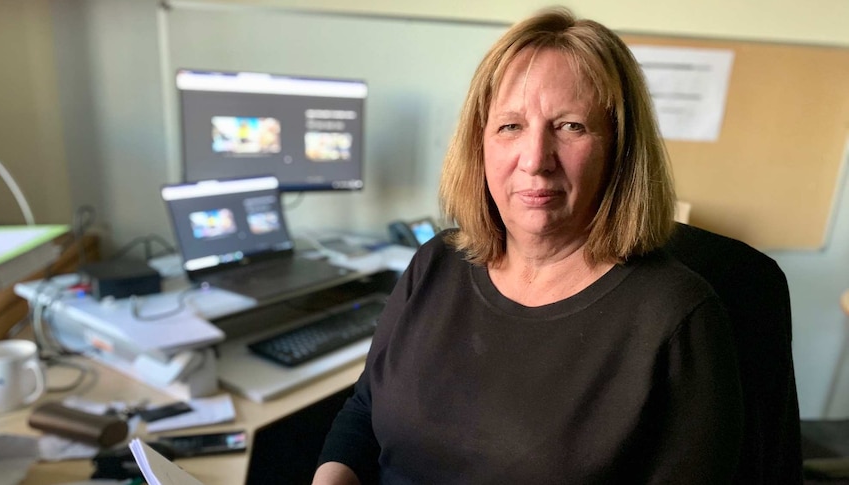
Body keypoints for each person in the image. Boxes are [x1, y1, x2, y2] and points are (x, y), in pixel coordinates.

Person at [313, 6, 743, 484]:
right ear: (480, 144)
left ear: (618, 149)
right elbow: (366, 406)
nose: (535, 160)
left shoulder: (677, 317)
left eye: (571, 126)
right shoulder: (436, 262)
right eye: (510, 126)